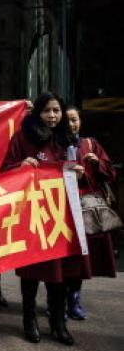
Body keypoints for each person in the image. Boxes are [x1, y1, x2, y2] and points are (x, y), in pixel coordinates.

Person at [2, 92, 89, 346]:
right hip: (32, 215)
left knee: (59, 274)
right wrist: (20, 166)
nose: (52, 116)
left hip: (60, 215)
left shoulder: (68, 140)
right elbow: (5, 169)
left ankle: (58, 324)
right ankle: (29, 321)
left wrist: (80, 173)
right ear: (37, 113)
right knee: (31, 273)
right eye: (47, 111)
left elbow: (80, 178)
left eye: (57, 111)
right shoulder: (23, 138)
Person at [61, 106, 118, 320]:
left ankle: (74, 300)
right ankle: (56, 302)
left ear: (80, 121)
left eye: (74, 120)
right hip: (62, 208)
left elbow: (110, 173)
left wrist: (97, 163)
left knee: (83, 258)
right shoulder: (54, 145)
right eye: (67, 121)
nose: (71, 124)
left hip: (86, 208)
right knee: (63, 258)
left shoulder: (90, 144)